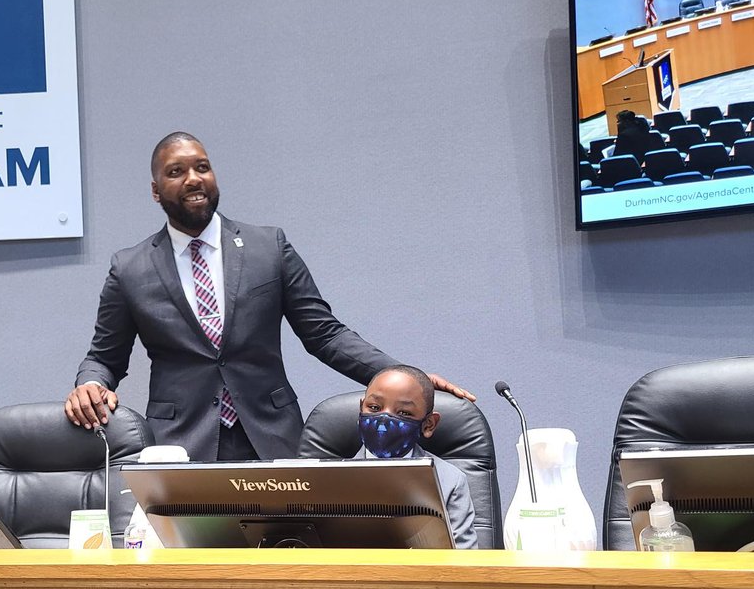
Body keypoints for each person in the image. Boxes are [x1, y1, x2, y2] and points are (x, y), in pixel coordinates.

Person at [65, 132, 475, 461]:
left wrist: (403, 375)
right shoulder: (130, 267)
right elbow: (104, 357)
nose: (193, 178)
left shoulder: (268, 246)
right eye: (176, 171)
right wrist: (89, 384)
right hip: (180, 441)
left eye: (202, 167)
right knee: (194, 563)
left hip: (271, 435)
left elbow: (324, 334)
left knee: (283, 555)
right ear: (156, 191)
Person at [355, 364, 477, 549]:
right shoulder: (326, 478)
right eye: (374, 407)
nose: (384, 419)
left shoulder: (449, 480)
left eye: (403, 413)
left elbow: (464, 561)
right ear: (361, 409)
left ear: (428, 425)